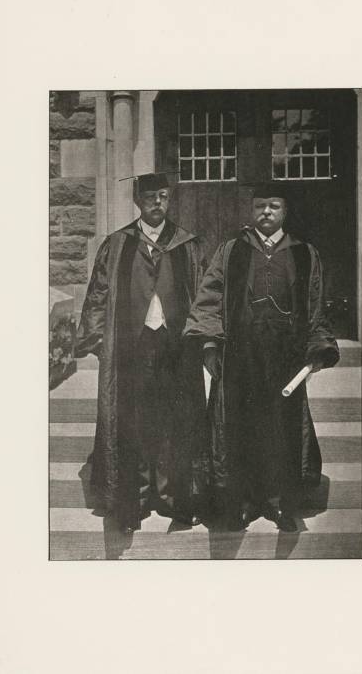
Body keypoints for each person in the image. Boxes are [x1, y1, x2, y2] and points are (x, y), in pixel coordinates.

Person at [183, 183, 339, 532]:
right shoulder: (232, 251)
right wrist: (210, 345)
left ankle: (278, 503)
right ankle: (242, 502)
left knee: (280, 432)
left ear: (284, 211)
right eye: (259, 207)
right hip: (240, 357)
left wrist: (317, 348)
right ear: (251, 211)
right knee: (239, 431)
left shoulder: (304, 253)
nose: (266, 213)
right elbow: (209, 298)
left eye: (273, 206)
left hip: (286, 360)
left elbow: (314, 305)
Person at [75, 172, 208, 533]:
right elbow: (99, 293)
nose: (158, 203)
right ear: (138, 201)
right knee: (133, 422)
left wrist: (206, 339)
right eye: (151, 197)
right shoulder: (118, 244)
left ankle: (170, 497)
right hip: (130, 347)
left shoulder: (187, 245)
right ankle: (134, 498)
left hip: (175, 347)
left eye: (163, 197)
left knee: (174, 421)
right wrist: (96, 340)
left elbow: (203, 296)